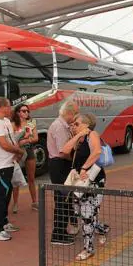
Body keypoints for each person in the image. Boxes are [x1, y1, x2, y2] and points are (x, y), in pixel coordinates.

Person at [62, 113, 110, 261]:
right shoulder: (80, 139)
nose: (73, 126)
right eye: (72, 124)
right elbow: (64, 151)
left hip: (94, 182)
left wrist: (84, 169)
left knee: (87, 215)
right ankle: (103, 229)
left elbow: (96, 152)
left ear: (85, 124)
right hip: (80, 183)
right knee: (81, 213)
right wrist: (77, 136)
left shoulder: (93, 135)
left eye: (76, 124)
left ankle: (88, 249)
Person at [0, 97, 25, 241]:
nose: (11, 109)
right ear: (2, 107)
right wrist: (19, 151)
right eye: (9, 106)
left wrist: (16, 152)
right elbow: (3, 144)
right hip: (0, 164)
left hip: (9, 163)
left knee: (6, 194)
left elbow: (11, 140)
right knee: (0, 196)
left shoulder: (6, 121)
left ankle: (3, 221)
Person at [47, 101, 80, 245]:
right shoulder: (59, 127)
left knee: (65, 199)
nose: (76, 117)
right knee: (62, 199)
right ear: (69, 113)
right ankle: (58, 234)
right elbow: (63, 151)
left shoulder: (64, 126)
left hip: (60, 164)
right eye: (75, 114)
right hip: (59, 164)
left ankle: (62, 231)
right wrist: (73, 158)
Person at [11, 104, 39, 213]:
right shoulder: (13, 124)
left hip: (29, 150)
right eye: (23, 111)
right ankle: (15, 203)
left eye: (27, 111)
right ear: (18, 112)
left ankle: (34, 202)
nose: (26, 113)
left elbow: (36, 138)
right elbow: (11, 139)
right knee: (16, 178)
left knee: (31, 178)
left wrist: (25, 140)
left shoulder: (31, 123)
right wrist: (22, 140)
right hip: (17, 152)